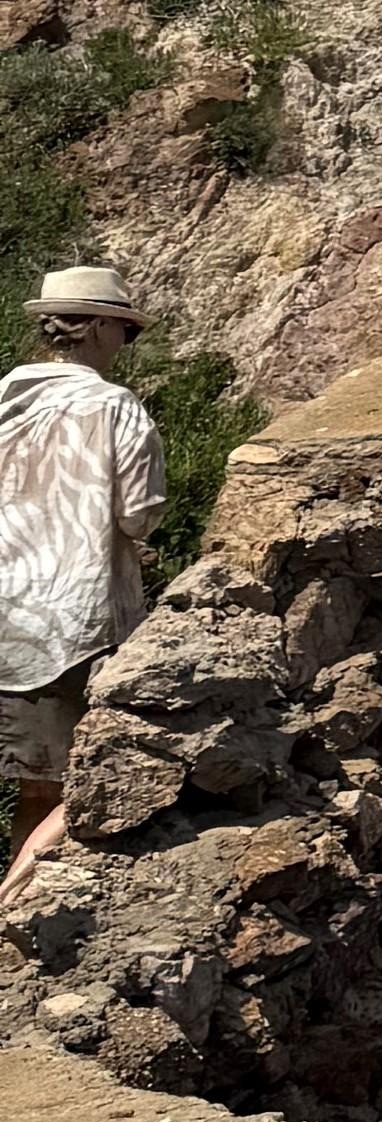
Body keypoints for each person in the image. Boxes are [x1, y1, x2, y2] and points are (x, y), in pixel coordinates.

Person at [0, 266, 166, 848]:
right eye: (126, 329)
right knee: (59, 792)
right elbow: (139, 514)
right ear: (96, 327)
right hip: (68, 628)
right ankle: (17, 900)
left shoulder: (5, 398)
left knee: (31, 787)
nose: (126, 342)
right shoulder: (115, 408)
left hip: (6, 612)